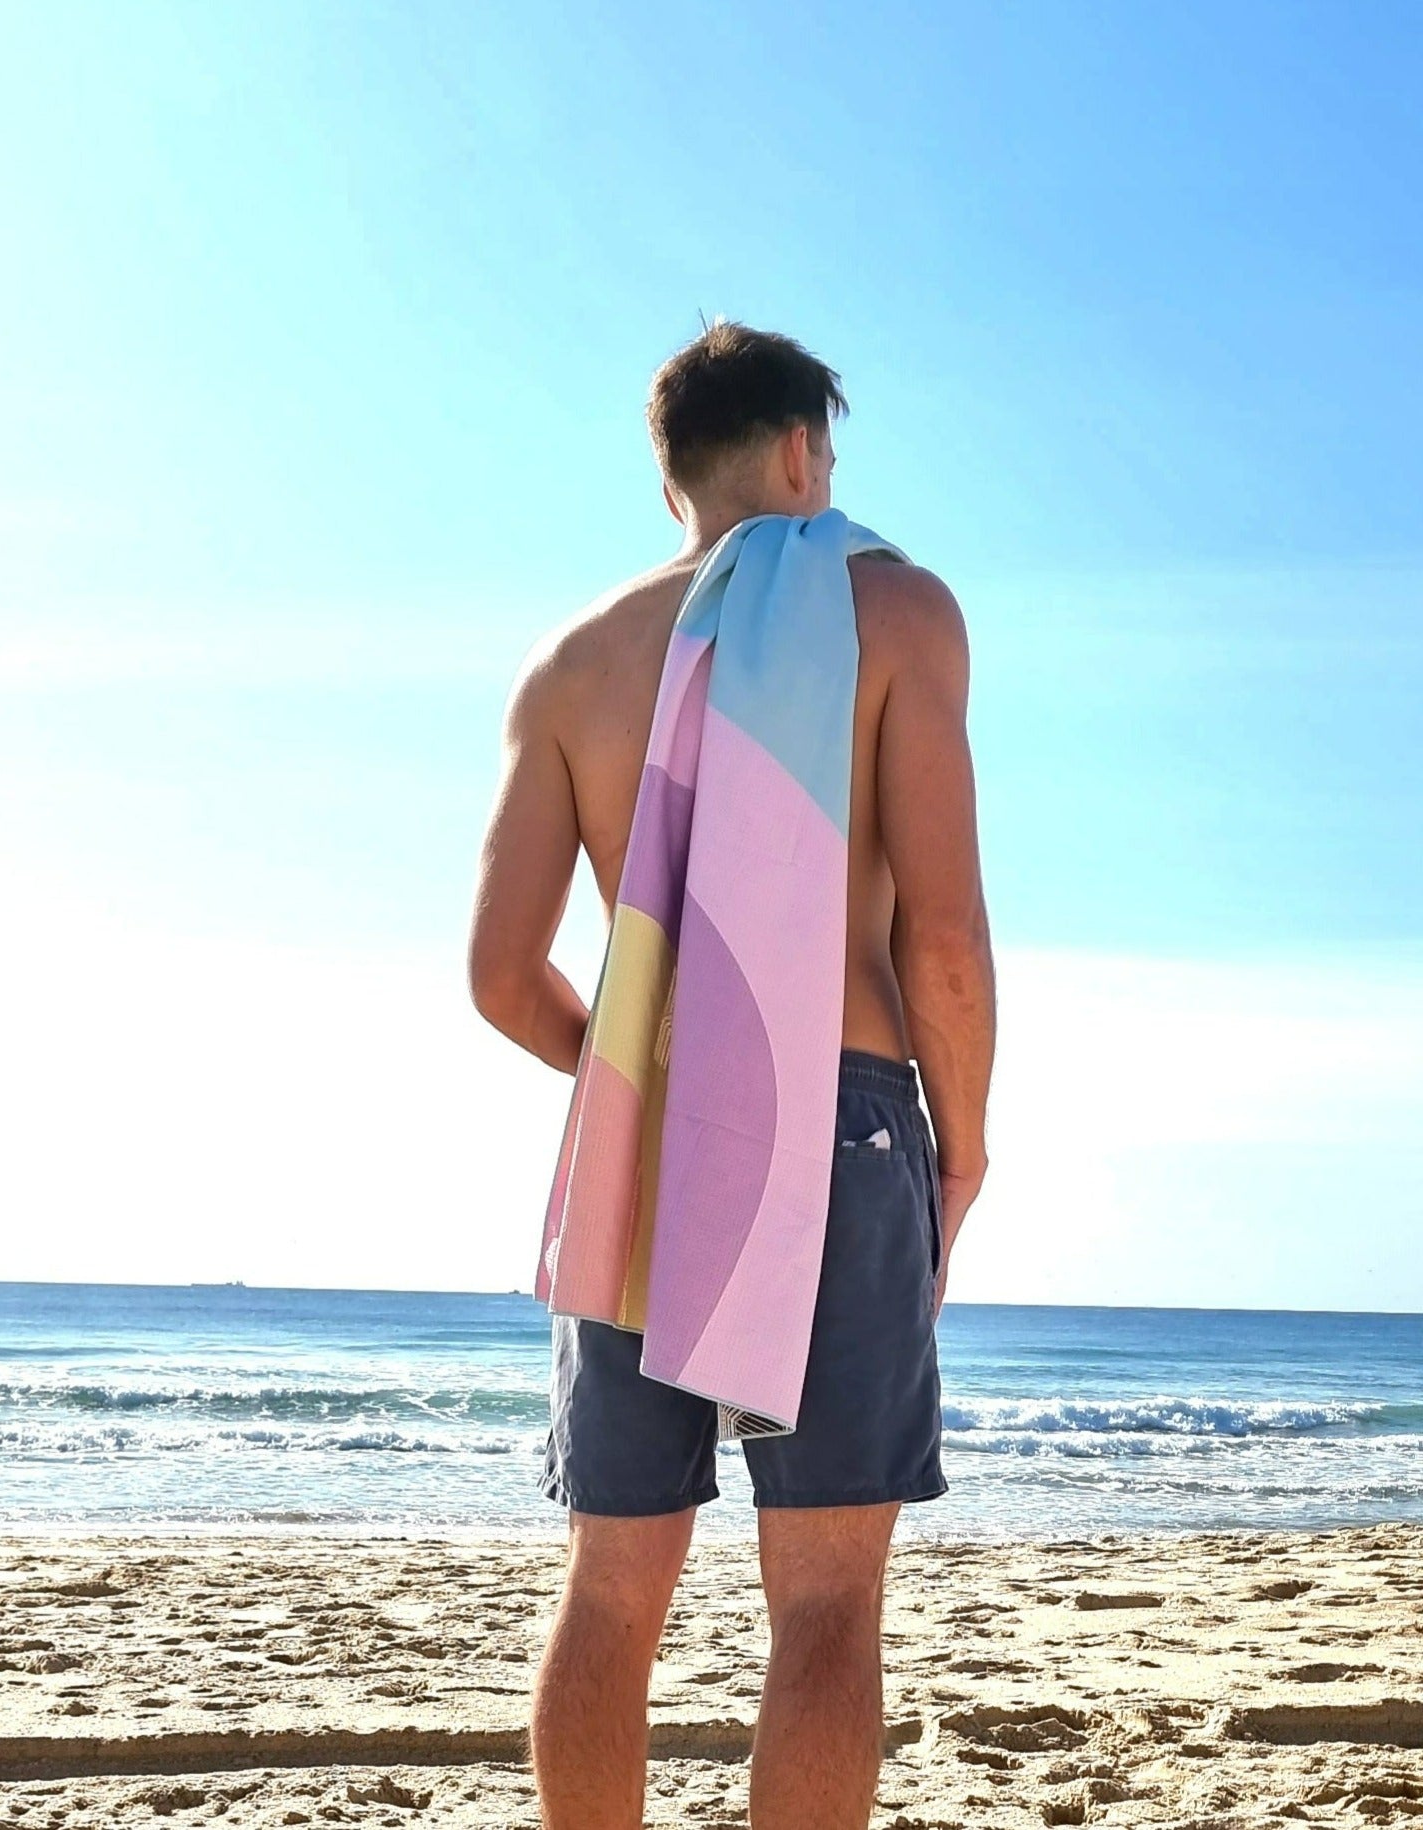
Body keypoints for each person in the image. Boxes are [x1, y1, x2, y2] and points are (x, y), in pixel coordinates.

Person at [467, 318, 996, 1830]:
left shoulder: (570, 666)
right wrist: (964, 1147)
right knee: (827, 1599)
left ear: (673, 487)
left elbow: (502, 977)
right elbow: (946, 944)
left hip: (637, 1136)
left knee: (614, 1587)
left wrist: (656, 1078)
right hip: (843, 1124)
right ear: (802, 452)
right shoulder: (891, 611)